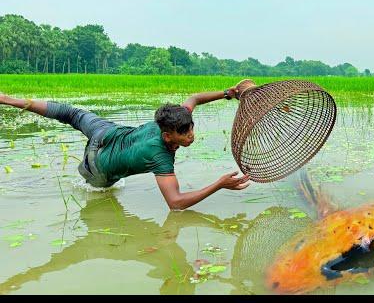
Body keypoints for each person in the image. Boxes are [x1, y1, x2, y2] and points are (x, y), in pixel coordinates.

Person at [0, 85, 250, 210]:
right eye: (184, 134)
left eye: (191, 128)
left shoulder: (175, 117)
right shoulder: (160, 156)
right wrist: (219, 184)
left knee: (72, 113)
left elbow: (194, 99)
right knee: (99, 197)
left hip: (107, 132)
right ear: (166, 135)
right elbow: (175, 203)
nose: (191, 136)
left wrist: (228, 93)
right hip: (97, 166)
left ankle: (5, 98)